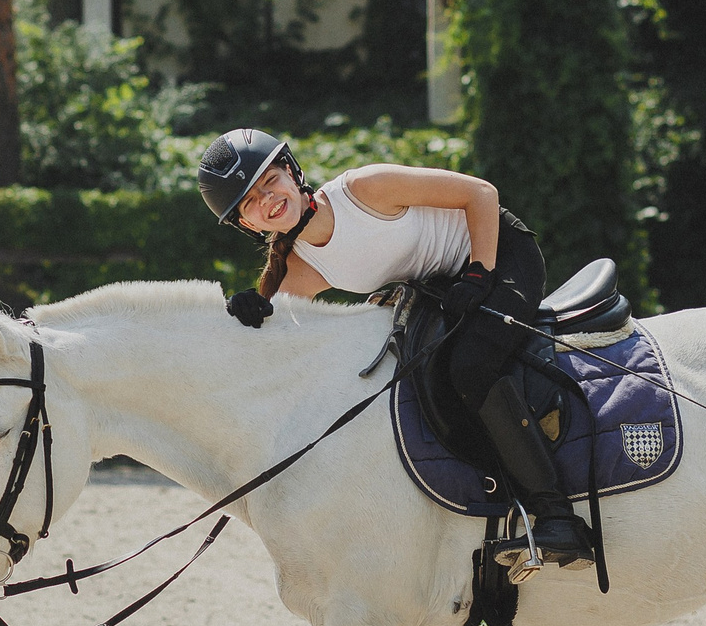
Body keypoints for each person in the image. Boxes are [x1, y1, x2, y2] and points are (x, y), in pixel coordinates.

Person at [194, 128, 595, 568]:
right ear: (246, 224)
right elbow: (283, 331)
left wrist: (479, 273)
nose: (266, 199)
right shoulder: (302, 264)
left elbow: (481, 193)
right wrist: (249, 311)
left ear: (291, 172)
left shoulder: (366, 189)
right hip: (444, 287)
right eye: (250, 203)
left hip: (500, 255)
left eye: (269, 181)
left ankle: (559, 517)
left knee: (469, 371)